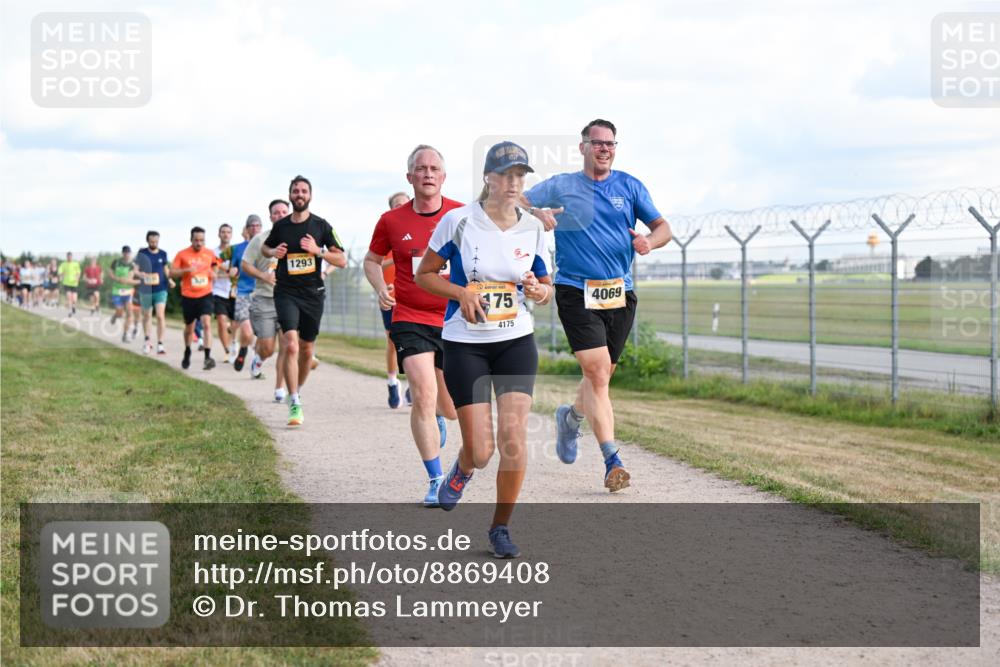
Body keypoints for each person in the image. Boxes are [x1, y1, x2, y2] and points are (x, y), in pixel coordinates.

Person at [416, 141, 552, 558]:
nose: (513, 183)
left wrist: (537, 290)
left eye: (519, 176)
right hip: (465, 343)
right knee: (482, 449)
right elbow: (424, 275)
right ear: (488, 178)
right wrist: (460, 292)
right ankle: (463, 467)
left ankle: (500, 527)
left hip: (516, 340)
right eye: (505, 174)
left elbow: (546, 289)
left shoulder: (534, 228)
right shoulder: (458, 221)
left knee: (513, 439)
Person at [522, 119, 672, 492]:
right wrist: (538, 213)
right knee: (598, 373)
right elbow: (516, 200)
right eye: (598, 143)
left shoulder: (630, 186)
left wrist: (650, 243)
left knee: (599, 377)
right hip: (575, 290)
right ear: (583, 146)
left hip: (619, 293)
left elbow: (663, 227)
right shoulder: (563, 185)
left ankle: (570, 418)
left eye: (610, 144)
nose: (604, 149)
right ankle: (612, 460)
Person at [365, 146, 461, 506]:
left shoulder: (461, 214)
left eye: (434, 168)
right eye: (421, 169)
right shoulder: (391, 221)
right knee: (422, 393)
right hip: (410, 318)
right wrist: (380, 288)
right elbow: (372, 261)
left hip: (453, 320)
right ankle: (436, 479)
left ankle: (438, 417)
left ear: (443, 176)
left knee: (450, 408)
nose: (428, 174)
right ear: (410, 177)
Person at [262, 176, 346, 426]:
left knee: (307, 349)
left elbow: (341, 260)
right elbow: (266, 248)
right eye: (295, 191)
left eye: (303, 191)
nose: (299, 194)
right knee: (290, 344)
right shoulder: (282, 226)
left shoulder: (321, 226)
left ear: (310, 195)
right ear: (290, 195)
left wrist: (318, 251)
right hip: (286, 291)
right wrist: (273, 252)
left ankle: (294, 389)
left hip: (312, 294)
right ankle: (296, 402)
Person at [244, 199, 289, 402]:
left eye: (283, 212)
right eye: (276, 213)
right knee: (268, 348)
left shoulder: (297, 238)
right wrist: (264, 276)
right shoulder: (260, 239)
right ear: (270, 217)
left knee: (287, 345)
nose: (280, 215)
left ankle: (279, 388)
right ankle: (259, 358)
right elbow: (246, 265)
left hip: (288, 299)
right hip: (264, 299)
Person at [170, 226, 220, 370]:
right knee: (189, 328)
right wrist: (186, 270)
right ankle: (187, 351)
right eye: (196, 240)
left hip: (205, 294)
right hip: (188, 296)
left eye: (202, 240)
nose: (199, 243)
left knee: (206, 323)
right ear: (191, 240)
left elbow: (217, 264)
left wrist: (213, 272)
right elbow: (172, 272)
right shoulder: (182, 254)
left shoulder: (209, 253)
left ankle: (207, 357)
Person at [382, 190, 410, 408]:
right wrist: (399, 257)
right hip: (391, 295)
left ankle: (414, 385)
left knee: (417, 343)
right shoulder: (386, 234)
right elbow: (374, 263)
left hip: (415, 295)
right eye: (397, 205)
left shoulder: (420, 231)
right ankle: (393, 382)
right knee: (393, 342)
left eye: (405, 203)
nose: (402, 207)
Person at [229, 215, 262, 371]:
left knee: (260, 334)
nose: (255, 228)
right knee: (247, 332)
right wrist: (233, 271)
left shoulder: (268, 246)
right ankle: (243, 349)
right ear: (247, 229)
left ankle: (254, 361)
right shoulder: (238, 249)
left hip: (262, 294)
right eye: (252, 226)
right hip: (243, 293)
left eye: (258, 225)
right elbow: (232, 269)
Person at [135, 231, 174, 355]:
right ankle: (147, 341)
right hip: (146, 289)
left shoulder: (163, 254)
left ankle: (160, 344)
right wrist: (142, 274)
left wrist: (170, 280)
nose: (154, 243)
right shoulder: (142, 253)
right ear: (147, 241)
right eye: (152, 241)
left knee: (160, 315)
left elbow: (166, 270)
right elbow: (135, 271)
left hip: (161, 288)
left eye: (156, 241)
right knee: (147, 316)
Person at [211, 224, 237, 362]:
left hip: (233, 291)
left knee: (235, 323)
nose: (226, 234)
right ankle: (227, 350)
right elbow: (213, 273)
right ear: (219, 234)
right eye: (223, 232)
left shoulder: (236, 251)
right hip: (218, 291)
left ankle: (233, 344)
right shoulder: (213, 253)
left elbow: (238, 270)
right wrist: (227, 272)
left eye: (228, 232)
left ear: (231, 235)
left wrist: (223, 270)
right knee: (221, 321)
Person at [107, 246, 140, 342]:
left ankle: (125, 335)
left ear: (130, 253)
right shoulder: (116, 262)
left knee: (130, 313)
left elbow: (130, 278)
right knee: (120, 313)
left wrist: (138, 281)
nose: (127, 255)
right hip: (117, 291)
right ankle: (115, 316)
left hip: (128, 291)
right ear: (122, 253)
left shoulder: (132, 265)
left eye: (128, 253)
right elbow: (110, 273)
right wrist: (117, 279)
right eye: (125, 253)